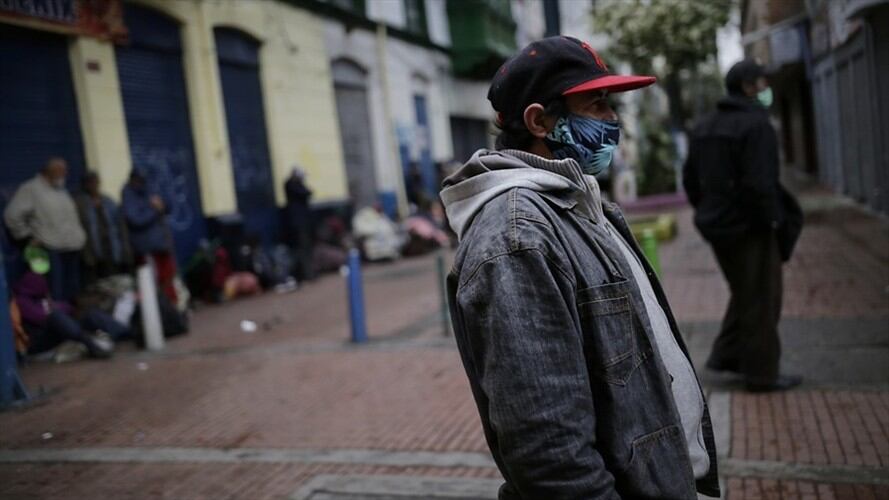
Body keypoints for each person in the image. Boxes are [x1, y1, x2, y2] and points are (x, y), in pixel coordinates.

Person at [440, 36, 719, 499]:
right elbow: (550, 451)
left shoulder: (580, 204)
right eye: (597, 106)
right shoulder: (516, 238)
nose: (614, 120)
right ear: (539, 121)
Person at [683, 59, 803, 392]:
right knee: (762, 298)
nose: (766, 89)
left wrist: (708, 210)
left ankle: (728, 354)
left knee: (746, 291)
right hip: (751, 228)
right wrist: (773, 221)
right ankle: (762, 375)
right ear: (748, 87)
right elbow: (760, 184)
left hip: (717, 227)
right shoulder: (756, 125)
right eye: (762, 83)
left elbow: (690, 179)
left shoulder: (704, 127)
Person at [4, 157, 87, 301]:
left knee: (72, 292)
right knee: (56, 292)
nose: (66, 174)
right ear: (49, 171)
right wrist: (27, 237)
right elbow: (12, 215)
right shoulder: (31, 189)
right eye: (61, 171)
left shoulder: (60, 190)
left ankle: (70, 314)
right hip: (50, 250)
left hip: (71, 248)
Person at [12, 270, 114, 359]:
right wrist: (52, 308)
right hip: (34, 343)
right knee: (56, 317)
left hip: (51, 333)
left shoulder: (40, 299)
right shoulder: (21, 301)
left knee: (88, 315)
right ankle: (91, 344)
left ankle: (118, 333)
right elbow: (41, 317)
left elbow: (65, 307)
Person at [121, 169, 178, 304]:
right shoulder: (128, 195)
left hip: (161, 245)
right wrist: (154, 210)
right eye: (138, 180)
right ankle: (160, 308)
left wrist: (162, 205)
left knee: (168, 277)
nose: (141, 183)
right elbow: (136, 220)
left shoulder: (149, 188)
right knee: (150, 283)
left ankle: (171, 308)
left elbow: (168, 205)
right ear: (132, 180)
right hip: (145, 249)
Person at [75, 171, 131, 284]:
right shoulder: (80, 203)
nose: (93, 185)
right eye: (90, 182)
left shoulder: (107, 201)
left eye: (95, 182)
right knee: (98, 282)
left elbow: (120, 225)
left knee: (114, 278)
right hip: (93, 250)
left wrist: (125, 248)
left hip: (111, 247)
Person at [284, 167, 315, 281]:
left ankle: (307, 273)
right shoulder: (291, 185)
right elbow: (306, 192)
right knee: (302, 249)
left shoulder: (296, 185)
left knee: (306, 248)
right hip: (298, 223)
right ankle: (305, 274)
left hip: (302, 222)